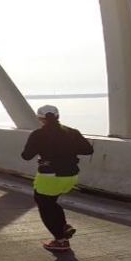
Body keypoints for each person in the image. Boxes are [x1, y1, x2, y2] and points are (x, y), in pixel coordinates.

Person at [21, 104, 94, 252]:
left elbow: (26, 156)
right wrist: (68, 150)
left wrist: (43, 152)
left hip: (50, 176)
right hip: (71, 175)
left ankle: (60, 240)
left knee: (45, 206)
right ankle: (63, 226)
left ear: (40, 118)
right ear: (58, 117)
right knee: (51, 202)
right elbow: (88, 150)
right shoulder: (72, 132)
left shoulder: (38, 134)